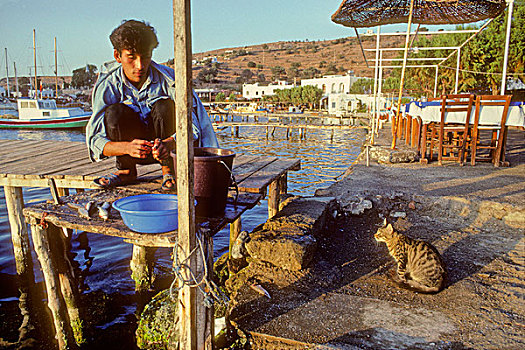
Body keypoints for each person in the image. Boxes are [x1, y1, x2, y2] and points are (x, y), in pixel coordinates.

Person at [86, 19, 218, 190]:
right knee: (114, 112)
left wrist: (169, 143)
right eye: (131, 58)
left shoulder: (170, 80)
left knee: (165, 106)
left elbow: (194, 129)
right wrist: (127, 147)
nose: (140, 66)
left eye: (146, 56)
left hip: (165, 149)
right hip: (129, 151)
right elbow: (95, 140)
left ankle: (167, 169)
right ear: (117, 56)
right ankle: (126, 170)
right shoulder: (107, 85)